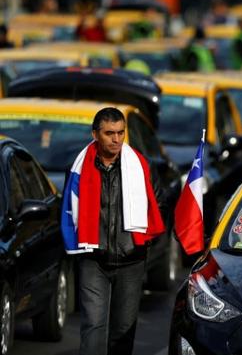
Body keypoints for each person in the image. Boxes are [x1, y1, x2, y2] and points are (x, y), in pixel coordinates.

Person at [61, 108, 165, 355]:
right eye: (109, 133)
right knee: (93, 327)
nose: (116, 139)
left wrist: (145, 242)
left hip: (131, 260)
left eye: (120, 133)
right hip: (93, 259)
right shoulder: (77, 168)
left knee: (123, 331)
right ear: (95, 134)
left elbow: (158, 205)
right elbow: (67, 211)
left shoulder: (140, 165)